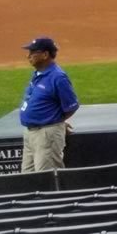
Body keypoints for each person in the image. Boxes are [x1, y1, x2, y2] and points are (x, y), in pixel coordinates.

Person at [19, 37, 78, 173]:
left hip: (46, 135)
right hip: (31, 133)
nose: (28, 56)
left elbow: (72, 105)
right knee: (26, 180)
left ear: (45, 55)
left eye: (33, 52)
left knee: (47, 180)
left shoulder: (58, 77)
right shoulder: (38, 73)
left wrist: (57, 122)